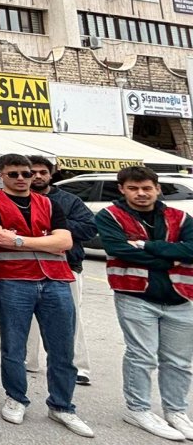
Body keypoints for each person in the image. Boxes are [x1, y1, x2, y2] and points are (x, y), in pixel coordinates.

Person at [0, 154, 92, 438]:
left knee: (62, 348)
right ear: (1, 175)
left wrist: (18, 239)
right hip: (14, 280)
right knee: (14, 346)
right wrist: (46, 242)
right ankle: (16, 398)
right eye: (14, 174)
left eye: (26, 174)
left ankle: (63, 406)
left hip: (56, 280)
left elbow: (65, 241)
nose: (21, 179)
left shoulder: (50, 203)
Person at [95, 166, 193, 441]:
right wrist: (173, 256)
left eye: (147, 188)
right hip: (135, 296)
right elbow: (118, 250)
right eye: (134, 188)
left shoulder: (180, 216)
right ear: (122, 189)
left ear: (157, 189)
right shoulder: (110, 216)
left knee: (179, 362)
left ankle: (176, 411)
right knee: (142, 356)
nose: (141, 193)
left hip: (181, 297)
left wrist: (146, 246)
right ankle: (138, 409)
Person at [25, 155, 96, 385]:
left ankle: (78, 367)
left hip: (66, 267)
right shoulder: (17, 199)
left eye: (42, 172)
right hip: (26, 265)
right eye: (31, 172)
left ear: (51, 173)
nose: (36, 176)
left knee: (70, 317)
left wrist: (55, 225)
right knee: (27, 319)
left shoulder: (68, 200)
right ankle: (28, 361)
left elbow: (89, 228)